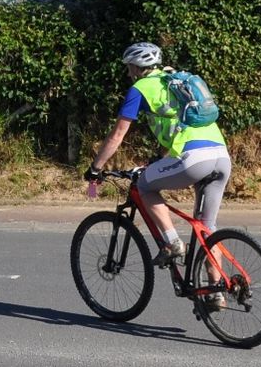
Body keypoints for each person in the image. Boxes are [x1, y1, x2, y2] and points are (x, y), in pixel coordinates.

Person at [85, 43, 231, 309]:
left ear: (136, 68)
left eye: (129, 68)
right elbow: (175, 129)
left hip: (193, 158)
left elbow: (117, 134)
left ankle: (173, 243)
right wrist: (157, 161)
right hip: (221, 155)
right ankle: (217, 292)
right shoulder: (174, 81)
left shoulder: (140, 89)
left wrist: (96, 168)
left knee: (143, 186)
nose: (129, 73)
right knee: (207, 227)